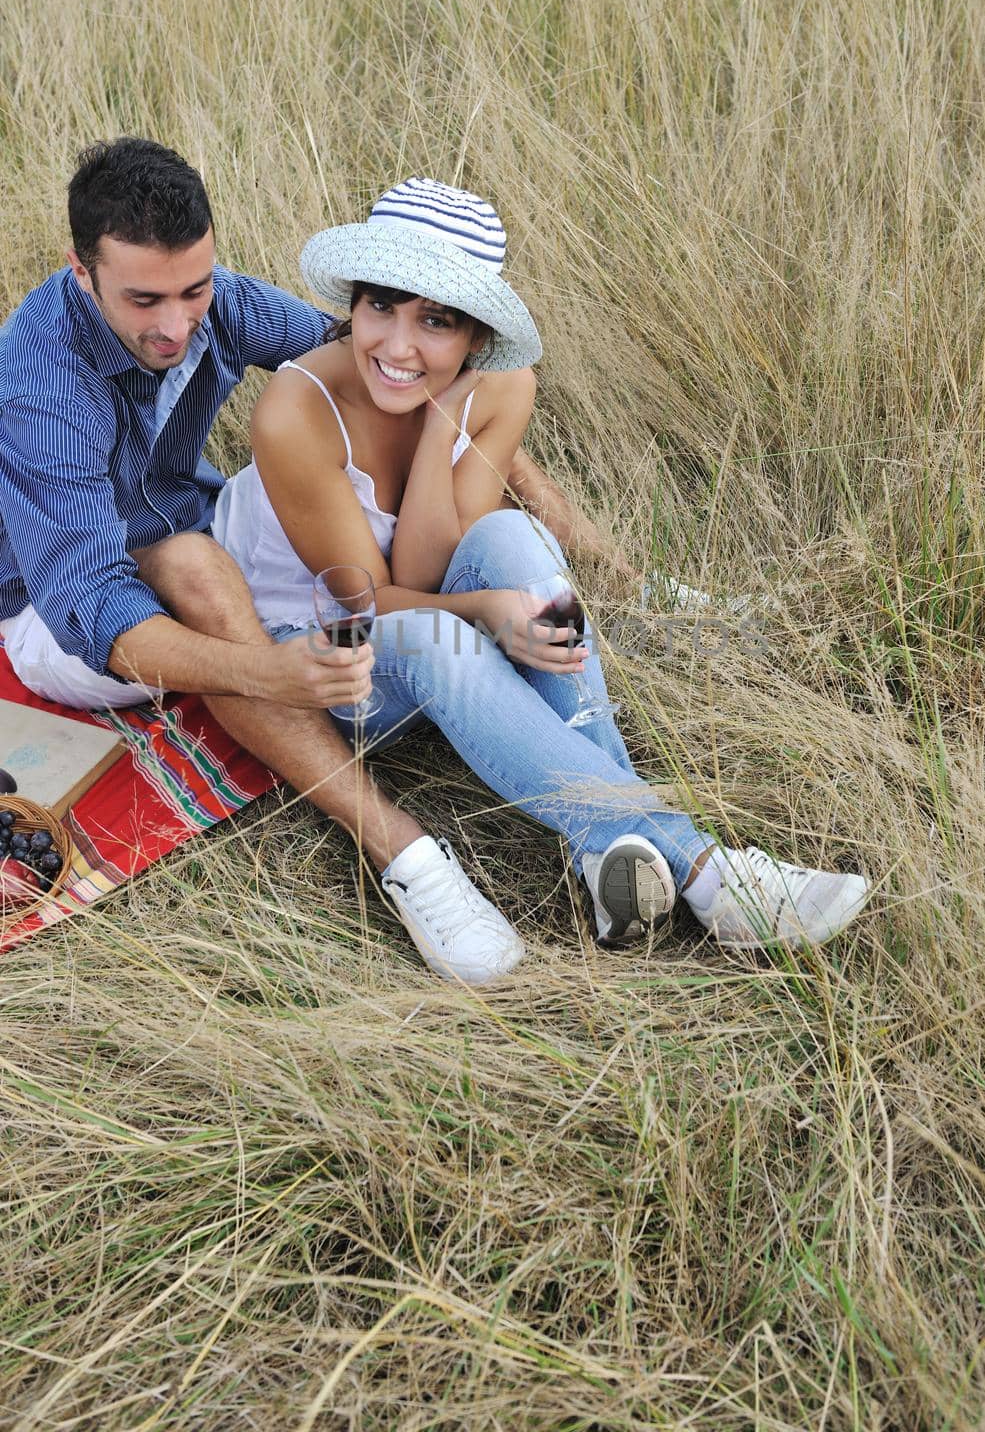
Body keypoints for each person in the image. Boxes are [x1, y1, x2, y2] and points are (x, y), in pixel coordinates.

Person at [212, 176, 871, 983]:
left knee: (512, 532)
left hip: (422, 617)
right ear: (352, 301)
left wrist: (441, 424)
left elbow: (430, 561)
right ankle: (707, 871)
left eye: (437, 319)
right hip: (327, 662)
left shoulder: (502, 388)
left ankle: (608, 853)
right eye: (380, 305)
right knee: (439, 625)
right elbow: (375, 601)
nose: (396, 345)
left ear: (478, 340)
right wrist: (487, 605)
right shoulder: (295, 408)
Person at [0, 139, 584, 982]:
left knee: (251, 527)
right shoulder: (40, 386)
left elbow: (381, 365)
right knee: (199, 568)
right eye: (143, 300)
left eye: (192, 290)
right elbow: (92, 607)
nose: (174, 324)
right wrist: (261, 671)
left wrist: (555, 509)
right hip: (50, 616)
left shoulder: (217, 303)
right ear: (80, 272)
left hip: (192, 526)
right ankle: (409, 858)